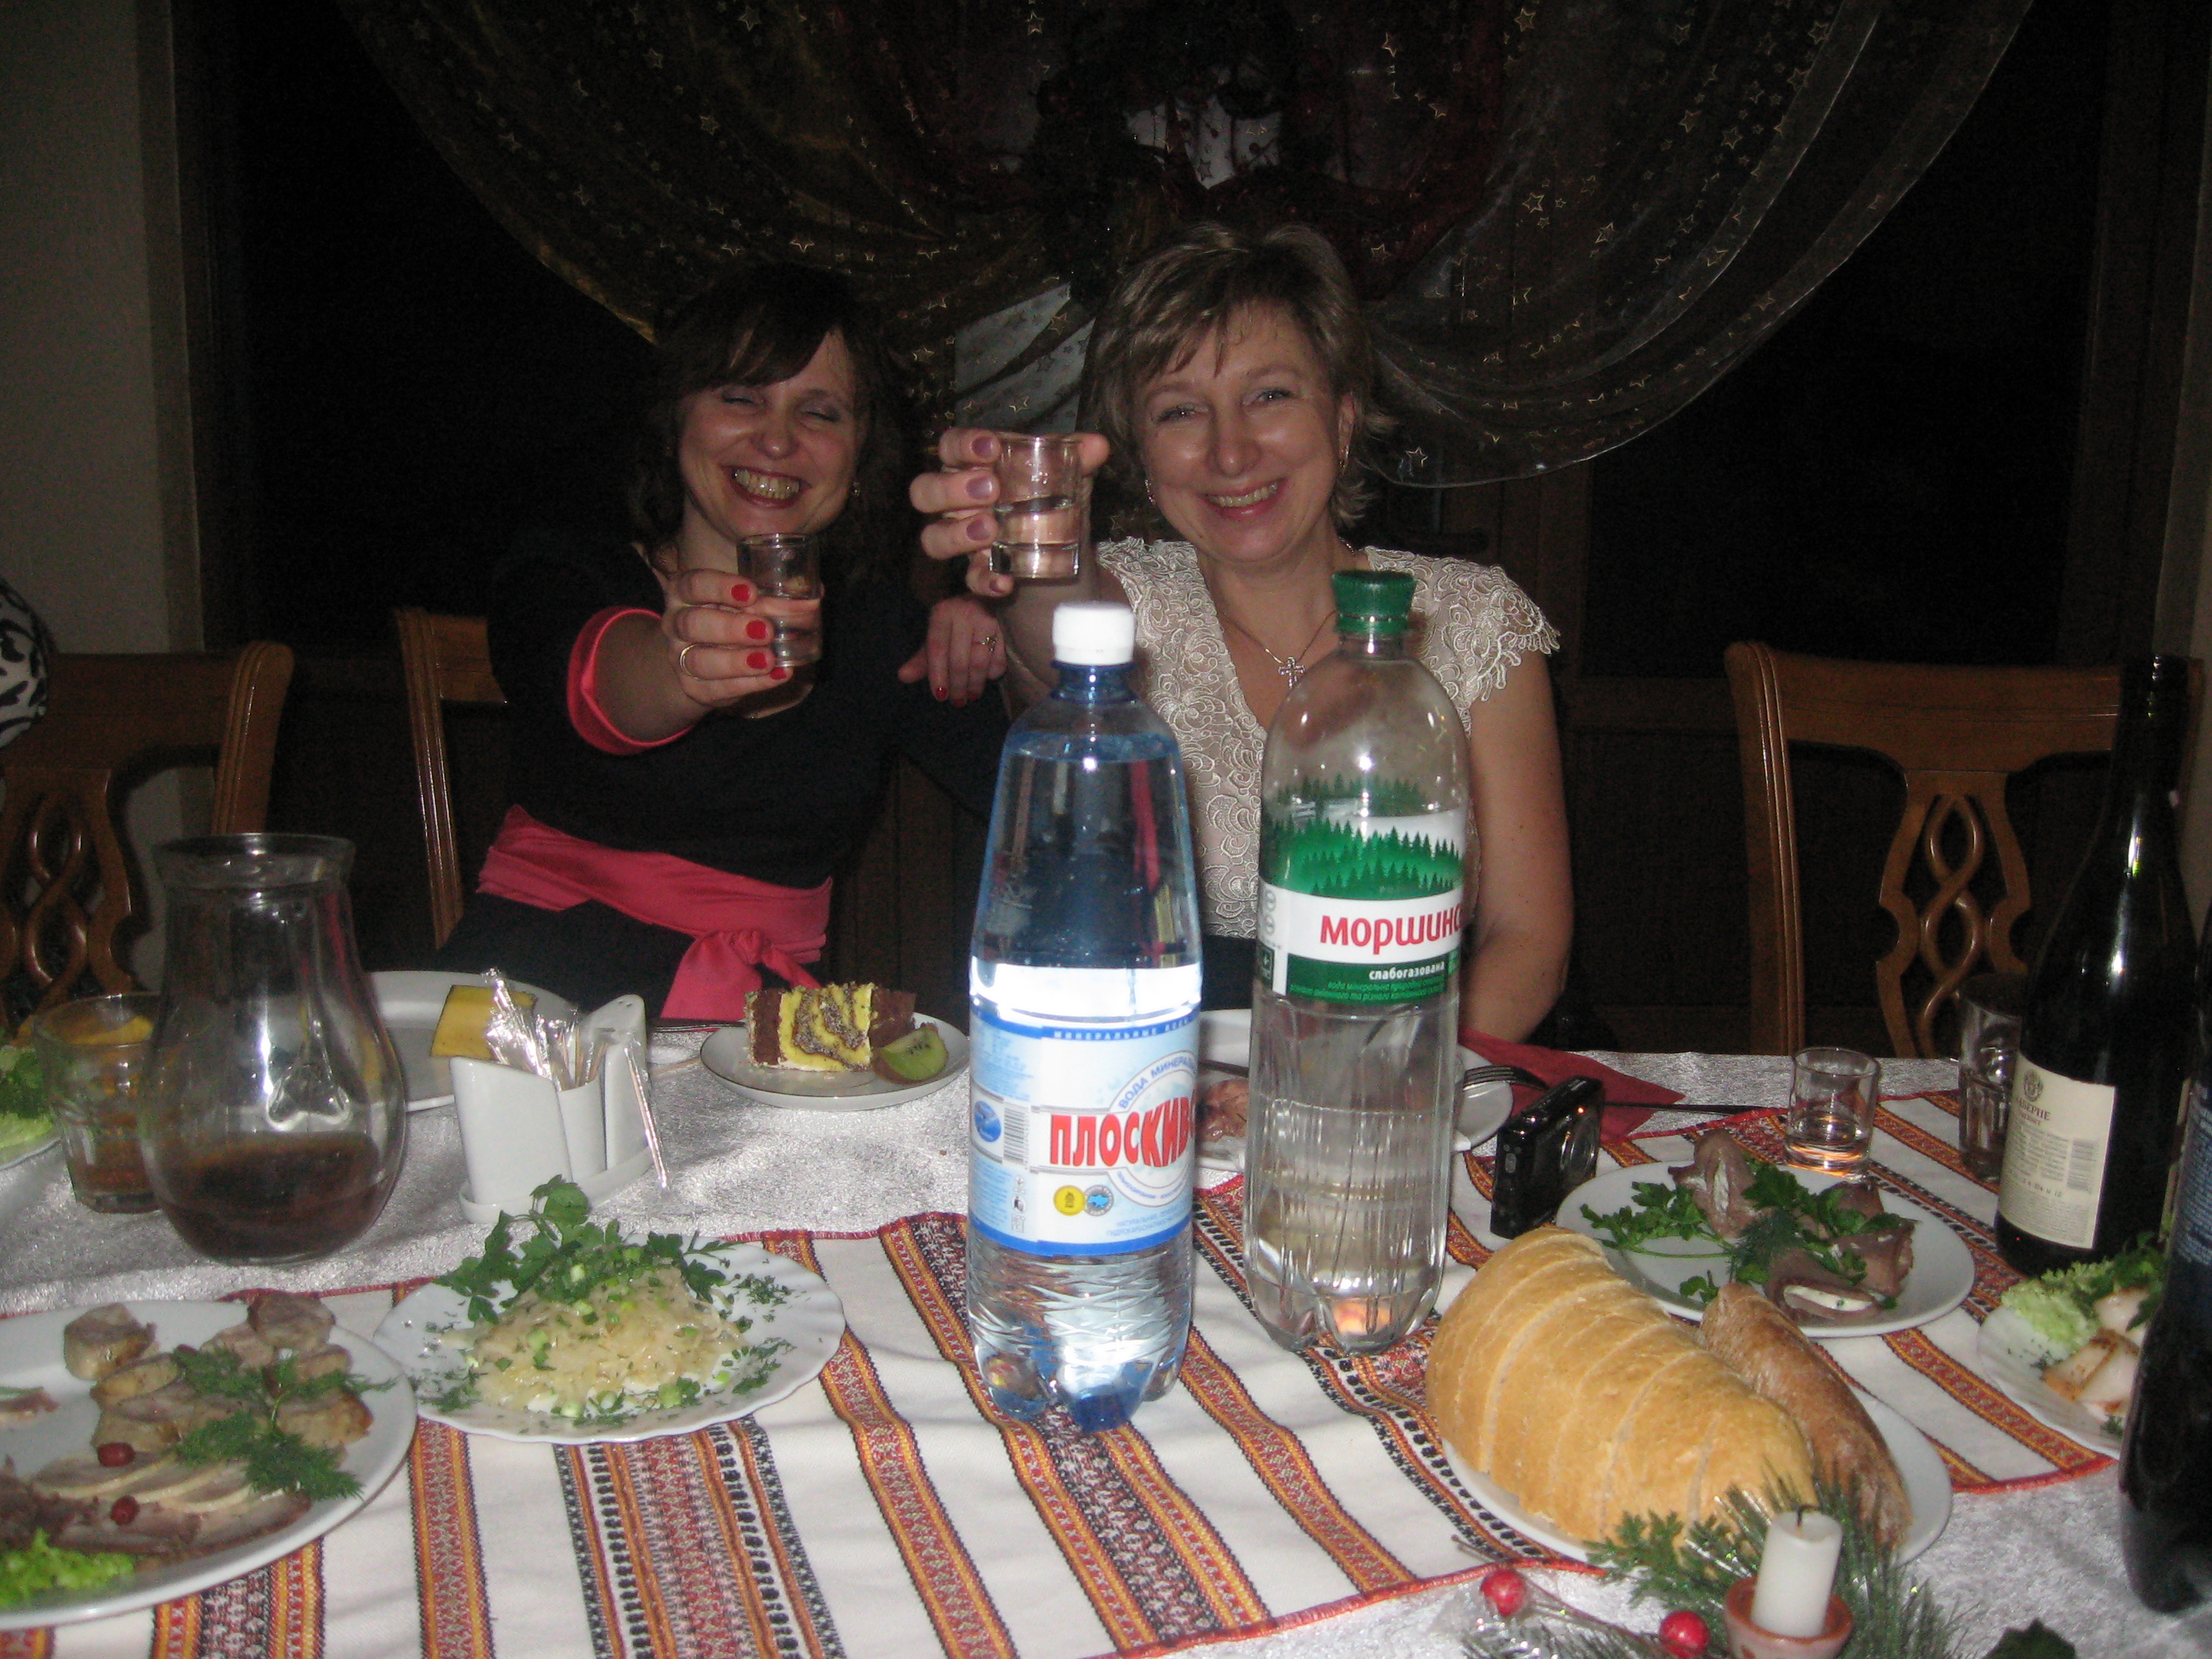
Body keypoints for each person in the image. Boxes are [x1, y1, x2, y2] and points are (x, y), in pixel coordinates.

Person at [909, 222, 1571, 1041]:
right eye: (1182, 411)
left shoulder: (1475, 621)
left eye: (1270, 396)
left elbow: (1529, 944)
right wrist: (1029, 536)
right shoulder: (1123, 605)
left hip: (1421, 1068)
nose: (1231, 453)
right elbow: (1060, 619)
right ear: (1141, 456)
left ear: (1343, 418)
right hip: (1160, 1072)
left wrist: (1376, 1080)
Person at [433, 261, 1010, 1017]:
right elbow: (605, 682)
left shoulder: (880, 631)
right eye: (741, 398)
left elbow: (1044, 802)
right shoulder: (562, 573)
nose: (776, 440)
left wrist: (1010, 631)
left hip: (757, 1033)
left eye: (821, 413)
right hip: (531, 997)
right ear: (677, 415)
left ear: (861, 457)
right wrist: (684, 667)